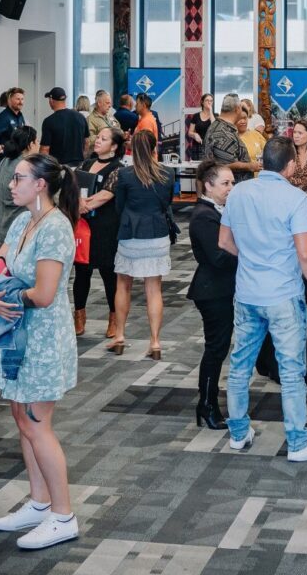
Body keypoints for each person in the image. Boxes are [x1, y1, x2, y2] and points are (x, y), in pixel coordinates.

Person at [0, 153, 82, 551]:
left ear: (40, 184)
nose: (10, 183)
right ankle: (40, 503)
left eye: (19, 178)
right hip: (17, 335)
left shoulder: (55, 228)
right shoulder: (24, 220)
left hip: (43, 341)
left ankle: (63, 516)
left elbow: (42, 293)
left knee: (39, 426)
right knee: (23, 420)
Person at [219, 136, 307, 463]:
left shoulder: (238, 192)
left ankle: (239, 434)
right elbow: (304, 252)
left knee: (240, 366)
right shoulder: (295, 197)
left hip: (247, 294)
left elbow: (224, 241)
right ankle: (297, 442)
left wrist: (253, 257)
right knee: (291, 370)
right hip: (283, 294)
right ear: (291, 165)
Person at [111, 130, 175, 359]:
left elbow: (119, 207)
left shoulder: (125, 175)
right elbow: (167, 204)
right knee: (154, 289)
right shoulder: (168, 173)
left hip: (131, 235)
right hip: (157, 235)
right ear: (154, 148)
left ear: (132, 150)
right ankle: (155, 342)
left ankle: (119, 336)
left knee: (123, 285)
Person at [188, 159, 237, 431]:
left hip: (219, 287)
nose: (231, 187)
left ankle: (208, 404)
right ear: (208, 185)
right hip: (212, 290)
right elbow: (218, 257)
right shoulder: (204, 216)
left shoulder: (217, 210)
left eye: (232, 182)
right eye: (225, 183)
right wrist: (248, 254)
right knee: (215, 349)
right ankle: (207, 405)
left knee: (218, 348)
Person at [73, 126, 125, 338]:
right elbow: (73, 187)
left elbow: (107, 194)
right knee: (81, 272)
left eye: (103, 139)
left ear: (113, 146)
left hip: (105, 227)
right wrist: (78, 203)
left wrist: (86, 205)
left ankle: (114, 318)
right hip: (82, 227)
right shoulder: (85, 164)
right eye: (98, 137)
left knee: (108, 273)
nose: (97, 141)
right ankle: (79, 316)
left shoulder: (117, 168)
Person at [0, 126, 39, 247]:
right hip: (17, 232)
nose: (39, 144)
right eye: (37, 141)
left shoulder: (4, 161)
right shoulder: (26, 166)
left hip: (0, 229)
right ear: (30, 144)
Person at [205, 94, 258, 181]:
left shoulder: (216, 125)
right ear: (237, 109)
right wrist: (249, 166)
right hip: (230, 189)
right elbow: (224, 166)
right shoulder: (224, 133)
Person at [38, 87, 87, 166]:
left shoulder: (49, 121)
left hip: (59, 167)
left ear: (51, 101)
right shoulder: (80, 117)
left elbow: (45, 149)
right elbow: (86, 142)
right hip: (78, 165)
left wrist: (42, 167)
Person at [0, 87, 27, 176]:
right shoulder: (5, 116)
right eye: (17, 99)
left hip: (15, 156)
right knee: (1, 184)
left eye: (22, 99)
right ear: (9, 100)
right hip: (3, 158)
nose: (21, 102)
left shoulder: (19, 115)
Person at [185, 92, 215, 160]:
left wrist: (210, 111)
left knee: (209, 169)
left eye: (211, 101)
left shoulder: (215, 116)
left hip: (210, 147)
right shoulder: (196, 116)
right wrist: (195, 135)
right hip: (198, 146)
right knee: (197, 168)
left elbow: (214, 127)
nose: (209, 102)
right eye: (207, 100)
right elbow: (190, 132)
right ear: (202, 102)